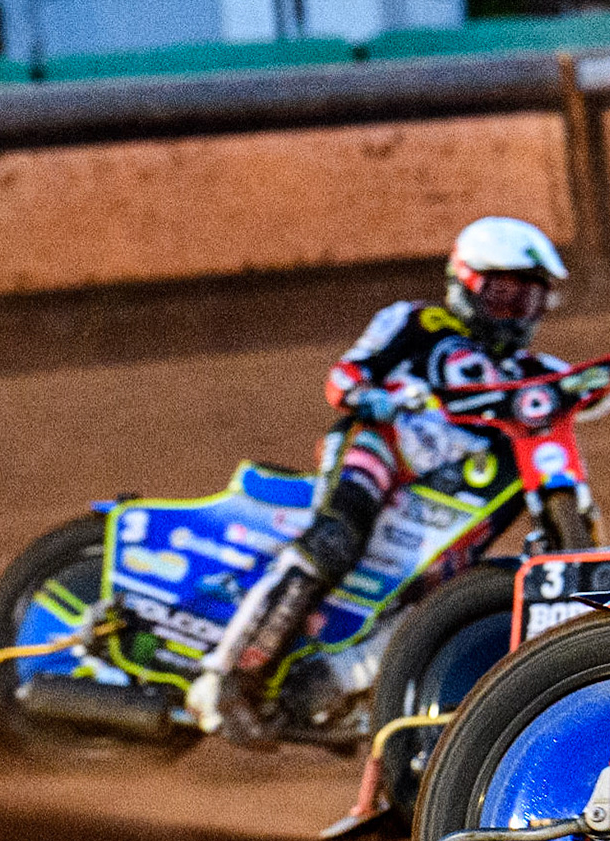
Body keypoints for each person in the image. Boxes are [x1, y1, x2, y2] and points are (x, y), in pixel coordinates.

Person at [187, 217, 583, 738]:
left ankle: (331, 682)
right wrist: (368, 396)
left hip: (449, 494)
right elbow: (347, 373)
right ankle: (227, 675)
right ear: (465, 285)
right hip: (384, 446)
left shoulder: (537, 370)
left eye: (528, 301)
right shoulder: (416, 323)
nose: (514, 314)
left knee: (441, 603)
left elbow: (584, 389)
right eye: (503, 296)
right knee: (336, 538)